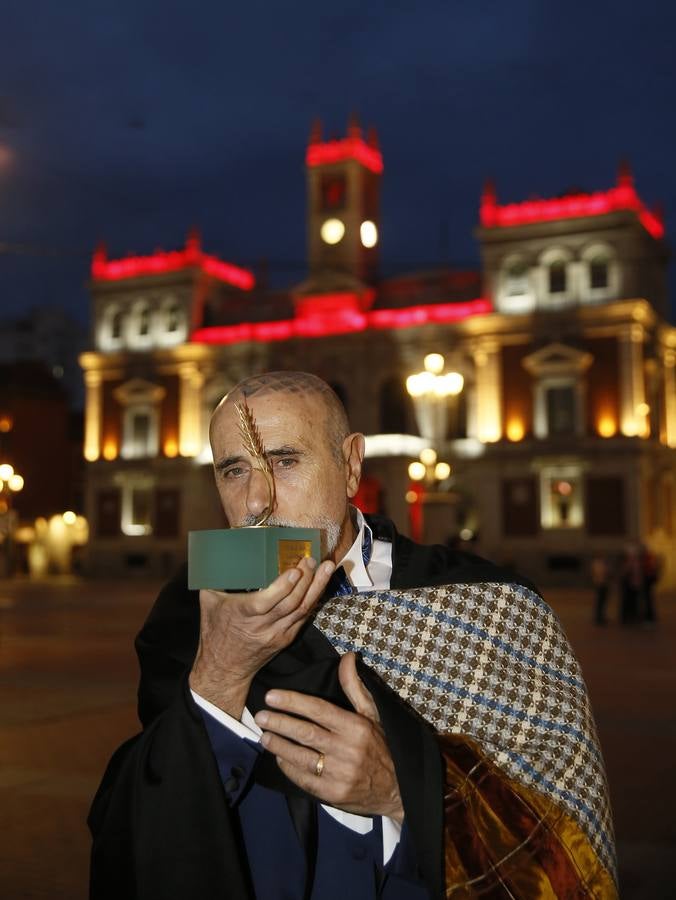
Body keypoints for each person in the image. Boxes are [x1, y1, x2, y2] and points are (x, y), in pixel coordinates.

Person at [89, 371, 618, 899]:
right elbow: (147, 814)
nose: (255, 501)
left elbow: (560, 832)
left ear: (350, 465)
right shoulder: (189, 610)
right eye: (233, 470)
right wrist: (219, 674)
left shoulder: (487, 603)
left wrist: (400, 790)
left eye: (284, 461)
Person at [590, 553, 610, 625]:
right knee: (600, 602)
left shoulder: (601, 563)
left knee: (602, 602)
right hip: (600, 584)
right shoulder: (598, 564)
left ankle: (601, 616)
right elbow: (600, 573)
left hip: (603, 584)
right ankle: (598, 617)